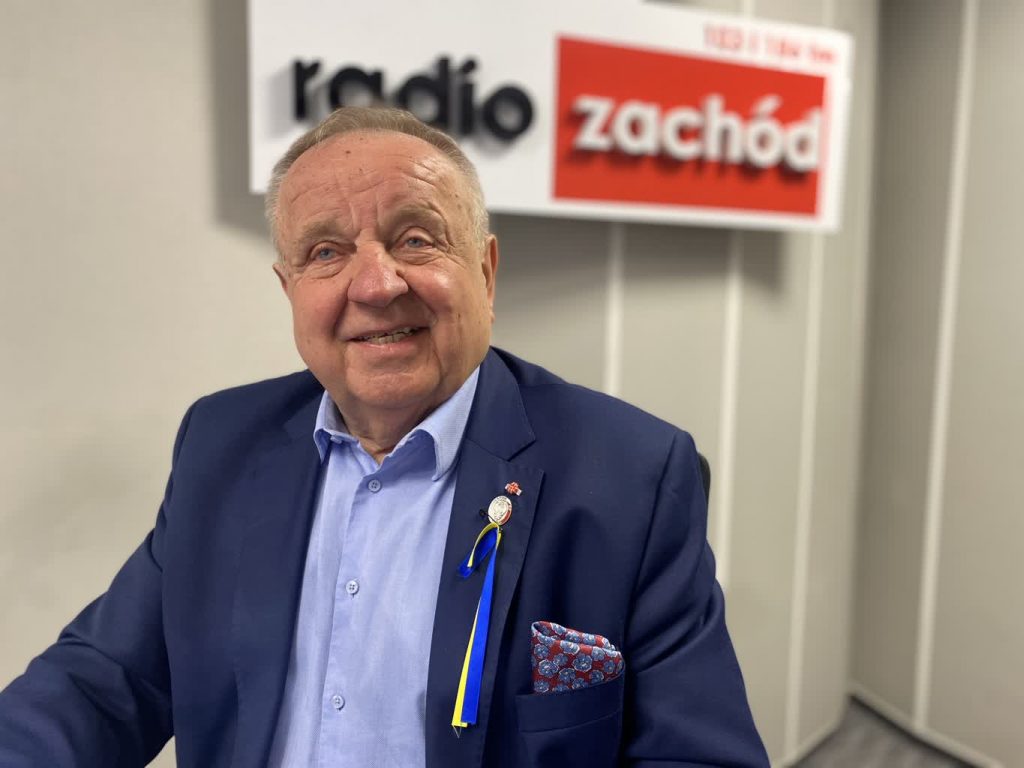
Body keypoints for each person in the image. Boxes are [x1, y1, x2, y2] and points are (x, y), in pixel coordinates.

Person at [0, 106, 768, 767]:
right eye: (325, 252)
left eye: (416, 239)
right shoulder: (221, 444)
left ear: (486, 271)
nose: (375, 285)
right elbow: (106, 681)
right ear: (290, 289)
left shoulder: (633, 475)